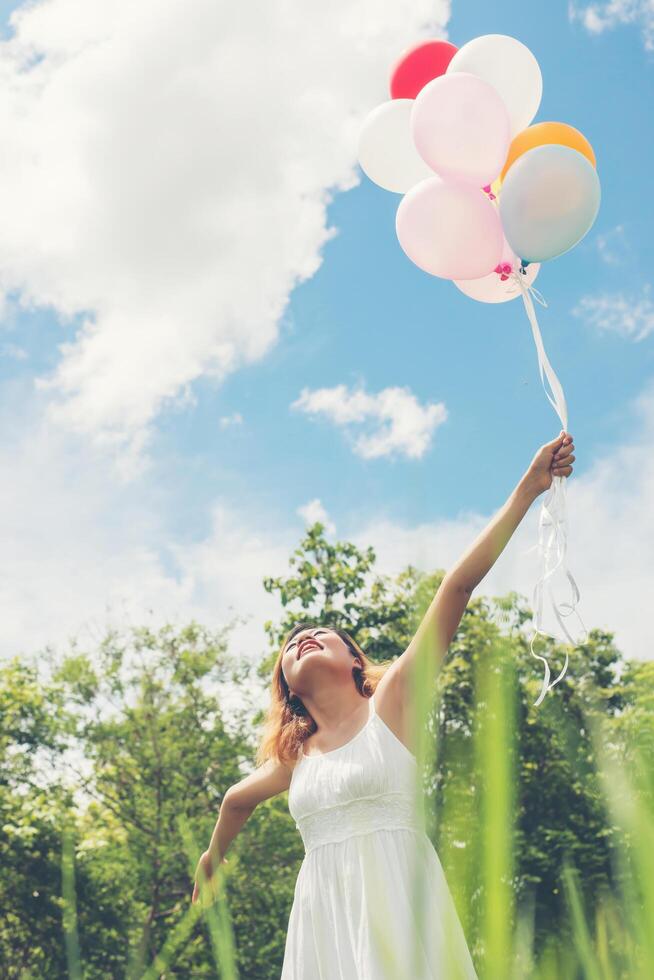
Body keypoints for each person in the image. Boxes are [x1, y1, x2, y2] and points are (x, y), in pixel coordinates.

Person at [192, 431, 576, 978]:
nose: (303, 637)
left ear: (354, 661)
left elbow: (456, 588)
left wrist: (528, 488)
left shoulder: (391, 704)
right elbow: (235, 801)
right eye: (291, 646)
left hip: (398, 905)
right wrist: (213, 857)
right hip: (324, 918)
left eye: (320, 634)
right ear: (289, 690)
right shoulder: (297, 757)